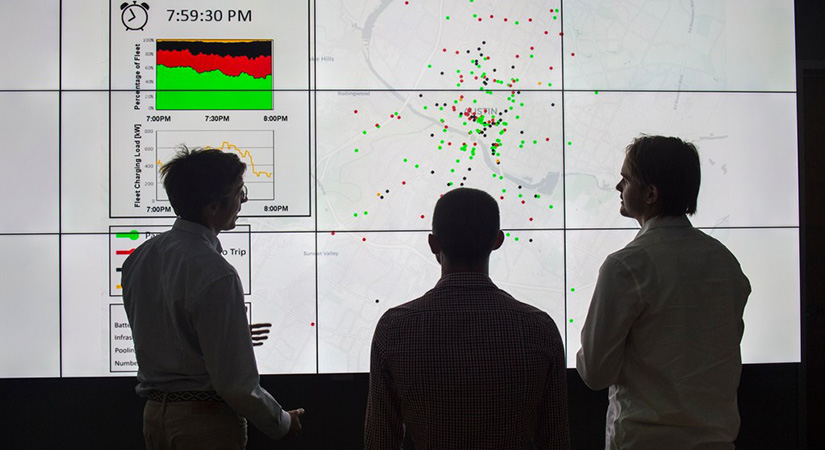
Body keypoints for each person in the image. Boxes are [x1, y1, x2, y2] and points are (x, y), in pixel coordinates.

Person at [121, 147, 304, 449]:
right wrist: (282, 423)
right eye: (238, 192)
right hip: (205, 424)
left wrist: (224, 336)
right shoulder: (216, 273)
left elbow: (164, 334)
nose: (243, 200)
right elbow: (235, 384)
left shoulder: (140, 257)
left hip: (154, 418)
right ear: (213, 207)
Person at [576, 136, 751, 449]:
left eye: (626, 179)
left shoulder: (626, 266)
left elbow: (595, 372)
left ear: (651, 194)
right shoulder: (725, 262)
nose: (618, 187)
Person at [365, 187, 570, 450]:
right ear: (498, 241)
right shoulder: (540, 329)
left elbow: (380, 442)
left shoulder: (394, 329)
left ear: (433, 243)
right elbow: (555, 441)